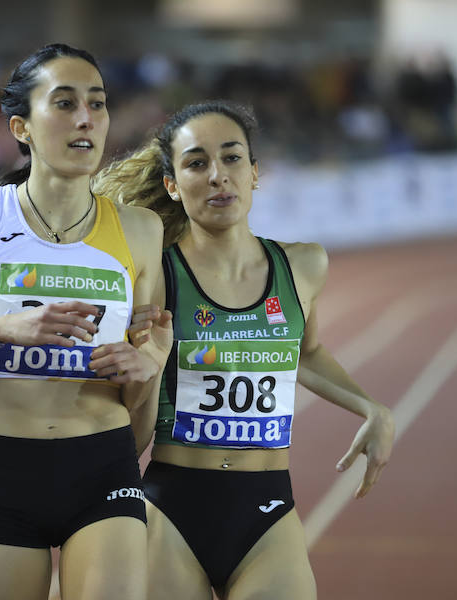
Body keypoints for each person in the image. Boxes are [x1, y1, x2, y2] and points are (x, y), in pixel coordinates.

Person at [0, 43, 170, 600]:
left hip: (104, 466)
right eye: (64, 103)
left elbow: (141, 426)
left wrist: (149, 368)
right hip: (0, 471)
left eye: (97, 103)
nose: (86, 118)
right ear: (21, 126)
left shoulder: (140, 230)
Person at [93, 100, 395, 599]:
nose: (218, 176)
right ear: (172, 184)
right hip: (172, 507)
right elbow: (129, 438)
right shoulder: (155, 278)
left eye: (232, 158)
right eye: (196, 163)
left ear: (255, 173)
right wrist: (148, 372)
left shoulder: (302, 266)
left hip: (267, 510)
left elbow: (305, 351)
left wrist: (371, 407)